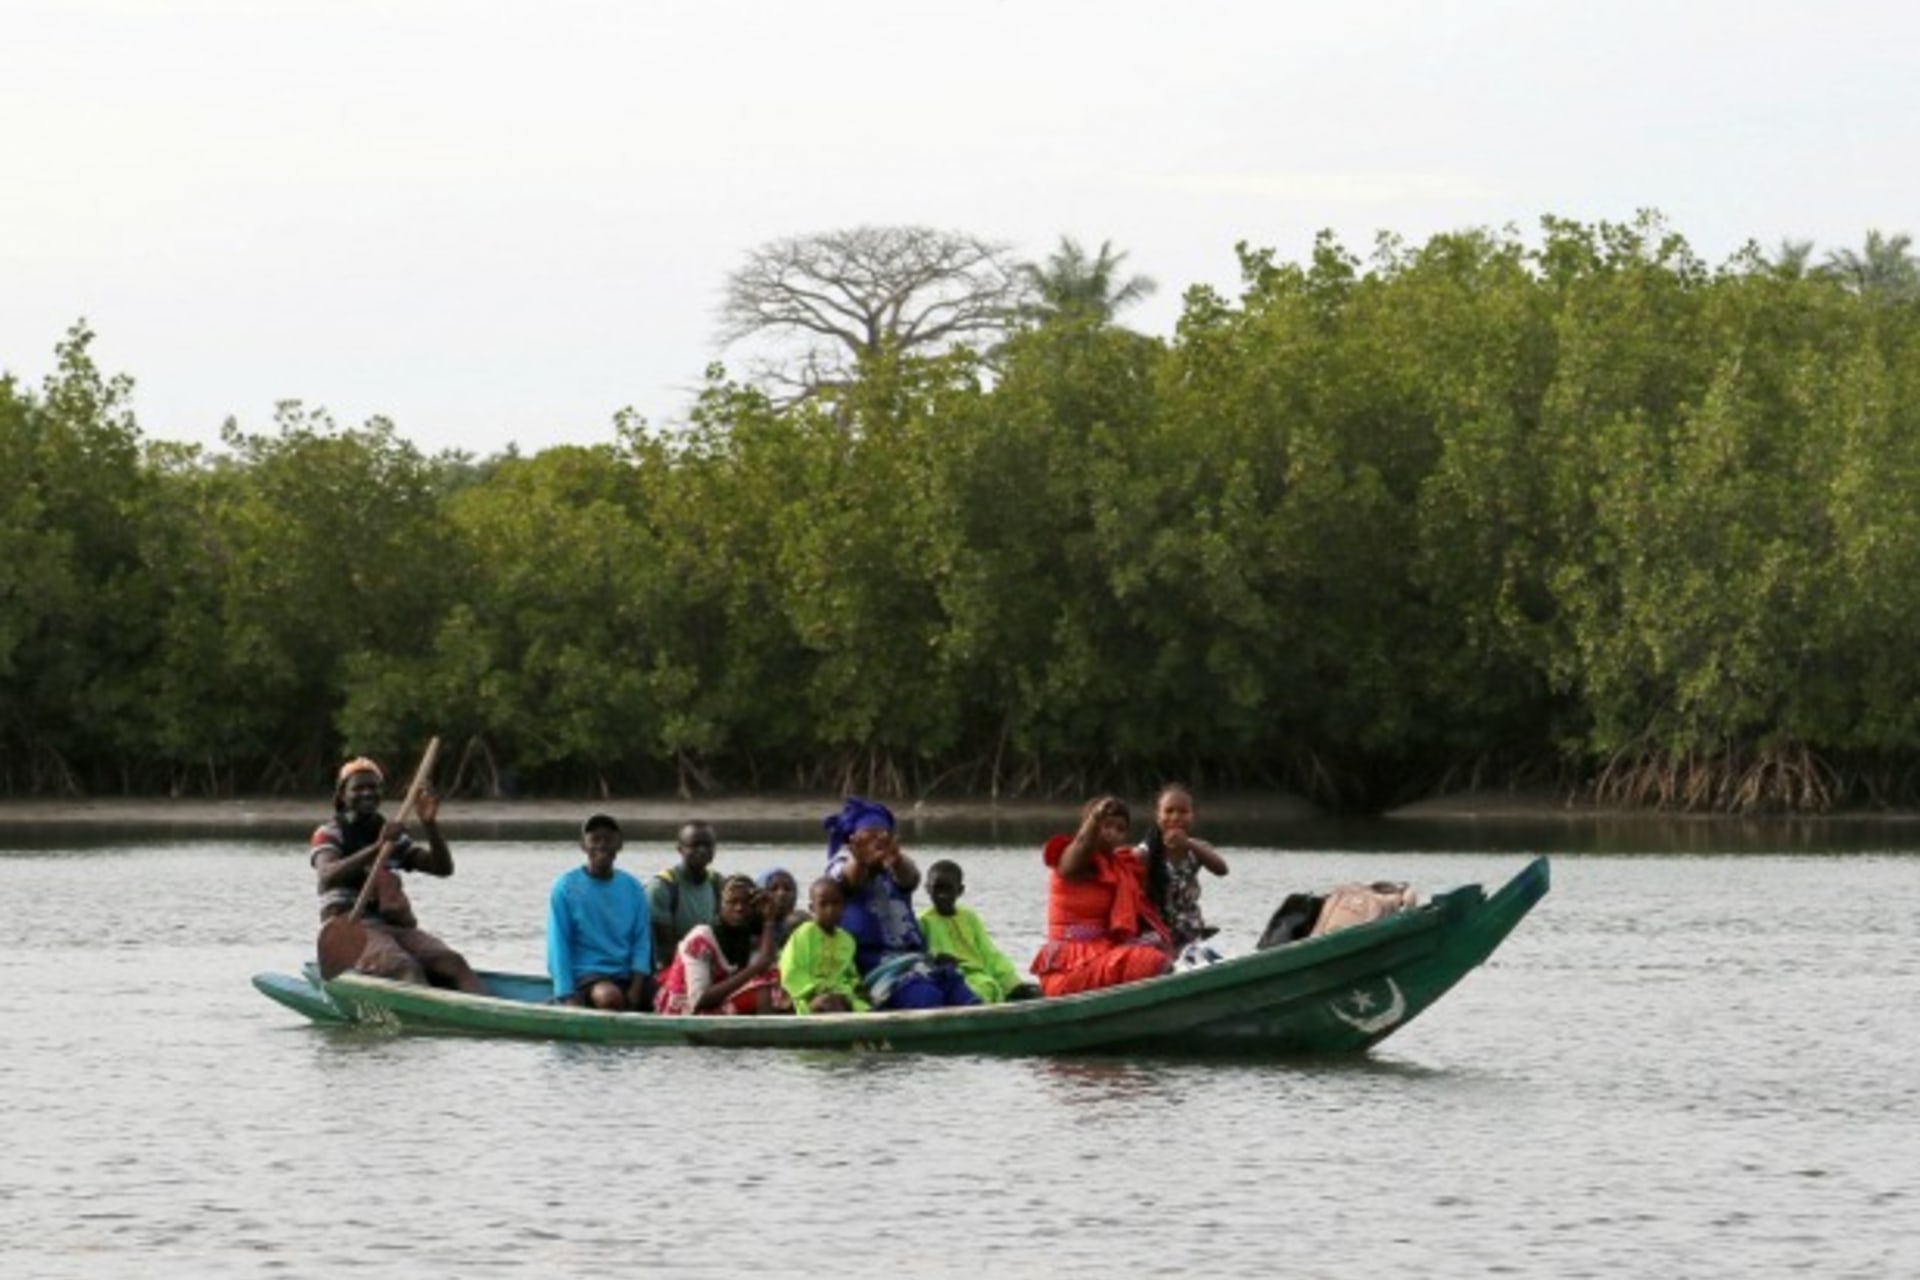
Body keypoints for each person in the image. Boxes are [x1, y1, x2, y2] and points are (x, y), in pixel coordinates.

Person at [310, 755, 483, 993]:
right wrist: (377, 848)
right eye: (358, 788)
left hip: (393, 927)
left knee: (453, 963)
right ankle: (427, 1016)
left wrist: (430, 825)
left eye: (373, 787)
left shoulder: (391, 834)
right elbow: (327, 875)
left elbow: (442, 868)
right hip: (351, 929)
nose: (367, 793)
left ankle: (490, 1015)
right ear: (342, 795)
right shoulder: (330, 833)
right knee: (403, 967)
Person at [823, 796, 978, 1011]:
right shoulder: (840, 866)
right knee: (926, 997)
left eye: (882, 836)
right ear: (855, 839)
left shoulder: (895, 866)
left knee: (965, 996)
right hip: (878, 969)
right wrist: (860, 861)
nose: (877, 842)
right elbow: (847, 882)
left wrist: (896, 860)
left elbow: (910, 878)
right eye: (870, 836)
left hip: (916, 960)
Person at [1029, 795, 1174, 997]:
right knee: (1150, 961)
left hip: (1103, 955)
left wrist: (1170, 828)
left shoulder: (1119, 865)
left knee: (1161, 946)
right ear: (1089, 825)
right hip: (1068, 972)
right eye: (1106, 825)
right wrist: (1095, 817)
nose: (1112, 833)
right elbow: (1082, 844)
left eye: (1120, 829)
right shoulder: (1069, 862)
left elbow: (1149, 848)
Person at [546, 813, 653, 1010]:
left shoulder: (633, 888)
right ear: (583, 845)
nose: (602, 845)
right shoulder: (566, 888)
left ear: (619, 845)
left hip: (626, 974)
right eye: (595, 839)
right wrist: (566, 994)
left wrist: (636, 989)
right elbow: (558, 945)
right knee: (610, 998)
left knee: (672, 996)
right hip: (588, 976)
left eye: (609, 839)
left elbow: (641, 942)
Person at [653, 874, 792, 1015]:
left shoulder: (748, 934)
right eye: (732, 902)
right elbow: (699, 999)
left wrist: (768, 919)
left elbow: (768, 962)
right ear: (721, 904)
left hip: (719, 1002)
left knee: (776, 986)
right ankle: (765, 1036)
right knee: (764, 990)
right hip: (684, 1009)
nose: (739, 908)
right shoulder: (700, 939)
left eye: (746, 903)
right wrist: (756, 968)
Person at [918, 859, 1037, 1003]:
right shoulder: (922, 921)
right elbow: (918, 958)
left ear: (960, 890)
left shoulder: (969, 918)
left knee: (994, 987)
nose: (942, 895)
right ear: (928, 889)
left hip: (981, 977)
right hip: (950, 980)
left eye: (948, 889)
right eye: (937, 889)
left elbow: (990, 954)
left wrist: (1013, 983)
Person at [1139, 783, 1231, 949]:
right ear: (1157, 816)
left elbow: (1222, 870)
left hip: (1191, 929)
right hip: (1155, 933)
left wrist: (1188, 844)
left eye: (1183, 812)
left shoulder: (1197, 848)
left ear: (1193, 815)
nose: (1175, 817)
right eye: (1169, 811)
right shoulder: (1144, 853)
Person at [778, 877, 867, 1014]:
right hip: (808, 995)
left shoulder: (847, 939)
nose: (830, 910)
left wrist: (855, 988)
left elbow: (850, 973)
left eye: (836, 904)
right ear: (812, 908)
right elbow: (791, 970)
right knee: (826, 1005)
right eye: (823, 904)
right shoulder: (803, 934)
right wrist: (816, 991)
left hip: (840, 993)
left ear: (843, 906)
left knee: (864, 1009)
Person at [648, 820, 722, 971]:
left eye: (707, 845)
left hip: (707, 961)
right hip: (671, 967)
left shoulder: (717, 882)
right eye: (694, 845)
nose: (702, 850)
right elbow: (665, 948)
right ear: (680, 849)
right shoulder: (662, 886)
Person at [758, 867, 810, 949]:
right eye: (774, 889)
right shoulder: (752, 927)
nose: (781, 894)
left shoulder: (803, 922)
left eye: (787, 889)